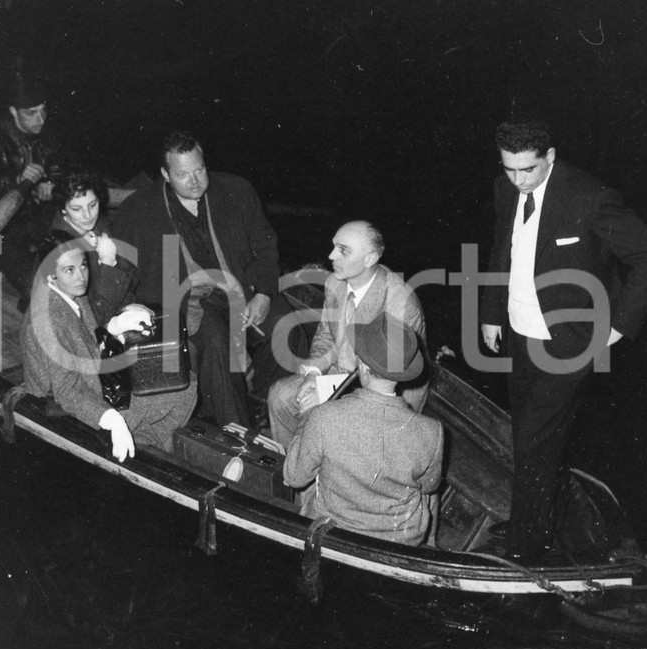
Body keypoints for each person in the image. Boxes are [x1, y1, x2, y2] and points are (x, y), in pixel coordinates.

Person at [480, 120, 647, 562]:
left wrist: (616, 327)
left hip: (569, 341)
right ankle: (538, 518)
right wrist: (490, 314)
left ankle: (526, 548)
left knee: (535, 442)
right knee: (528, 436)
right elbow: (502, 250)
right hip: (518, 332)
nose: (518, 180)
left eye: (527, 170)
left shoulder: (590, 197)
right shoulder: (504, 188)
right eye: (509, 169)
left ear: (549, 157)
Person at [109, 131, 285, 429]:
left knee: (285, 326)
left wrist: (264, 293)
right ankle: (235, 432)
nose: (194, 181)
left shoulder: (236, 191)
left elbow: (266, 247)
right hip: (188, 304)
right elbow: (126, 276)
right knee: (216, 344)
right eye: (182, 175)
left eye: (199, 170)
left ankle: (265, 404)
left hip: (241, 290)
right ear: (165, 174)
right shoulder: (139, 211)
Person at [20, 233, 197, 459]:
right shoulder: (46, 320)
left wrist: (115, 327)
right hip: (67, 410)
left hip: (94, 383)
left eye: (83, 265)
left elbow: (83, 342)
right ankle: (145, 451)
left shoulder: (70, 292)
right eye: (69, 270)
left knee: (184, 382)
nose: (81, 276)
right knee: (186, 389)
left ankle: (143, 447)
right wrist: (113, 420)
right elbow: (67, 391)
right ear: (50, 275)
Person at [283, 313, 443, 546]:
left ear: (363, 367)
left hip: (333, 531)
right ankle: (430, 546)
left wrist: (307, 415)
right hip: (400, 540)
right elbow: (429, 486)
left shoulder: (323, 416)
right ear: (402, 375)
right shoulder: (432, 431)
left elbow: (294, 477)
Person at [267, 220, 427, 448]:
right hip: (343, 374)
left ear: (370, 259)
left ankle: (317, 462)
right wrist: (314, 374)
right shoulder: (335, 282)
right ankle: (295, 463)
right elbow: (326, 336)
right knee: (280, 397)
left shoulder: (400, 304)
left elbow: (386, 378)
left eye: (343, 250)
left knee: (323, 418)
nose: (331, 255)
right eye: (334, 246)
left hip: (385, 391)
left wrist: (328, 395)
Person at [0, 72, 62, 309]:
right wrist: (17, 178)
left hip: (37, 217)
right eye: (31, 113)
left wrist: (51, 181)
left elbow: (59, 165)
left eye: (43, 110)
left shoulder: (46, 133)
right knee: (35, 286)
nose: (40, 119)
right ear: (13, 111)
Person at [50, 171, 139, 327]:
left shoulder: (97, 225)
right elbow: (93, 318)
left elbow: (130, 272)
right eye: (76, 209)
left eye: (92, 205)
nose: (88, 215)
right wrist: (107, 261)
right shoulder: (61, 250)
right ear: (63, 209)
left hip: (128, 304)